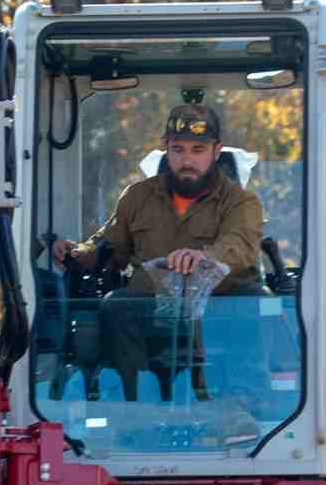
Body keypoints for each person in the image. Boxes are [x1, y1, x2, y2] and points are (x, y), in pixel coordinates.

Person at [53, 105, 265, 404]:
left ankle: (241, 405)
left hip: (216, 308)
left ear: (216, 151)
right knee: (116, 305)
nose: (187, 160)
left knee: (253, 302)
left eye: (198, 149)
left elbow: (239, 244)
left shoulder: (241, 203)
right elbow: (109, 245)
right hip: (150, 305)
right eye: (177, 150)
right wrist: (77, 252)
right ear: (165, 149)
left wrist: (204, 257)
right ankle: (136, 406)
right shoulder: (137, 197)